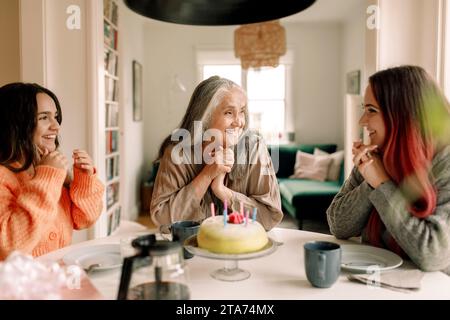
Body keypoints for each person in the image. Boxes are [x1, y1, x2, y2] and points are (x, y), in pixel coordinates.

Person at [326, 65, 450, 274]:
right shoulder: (375, 156)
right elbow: (339, 225)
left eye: (371, 111)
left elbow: (433, 255)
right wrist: (370, 182)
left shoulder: (444, 164)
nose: (362, 121)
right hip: (371, 281)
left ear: (405, 115)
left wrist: (382, 184)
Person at [150, 76, 283, 230]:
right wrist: (207, 175)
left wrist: (222, 191)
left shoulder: (254, 149)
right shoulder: (178, 153)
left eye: (241, 112)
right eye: (229, 113)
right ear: (204, 118)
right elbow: (163, 220)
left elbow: (270, 217)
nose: (239, 122)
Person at [0, 83, 105, 260]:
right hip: (19, 284)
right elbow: (10, 246)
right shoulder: (4, 177)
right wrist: (47, 178)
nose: (56, 126)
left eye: (55, 117)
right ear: (15, 124)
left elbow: (85, 220)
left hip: (57, 276)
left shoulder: (51, 169)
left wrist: (83, 181)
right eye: (43, 118)